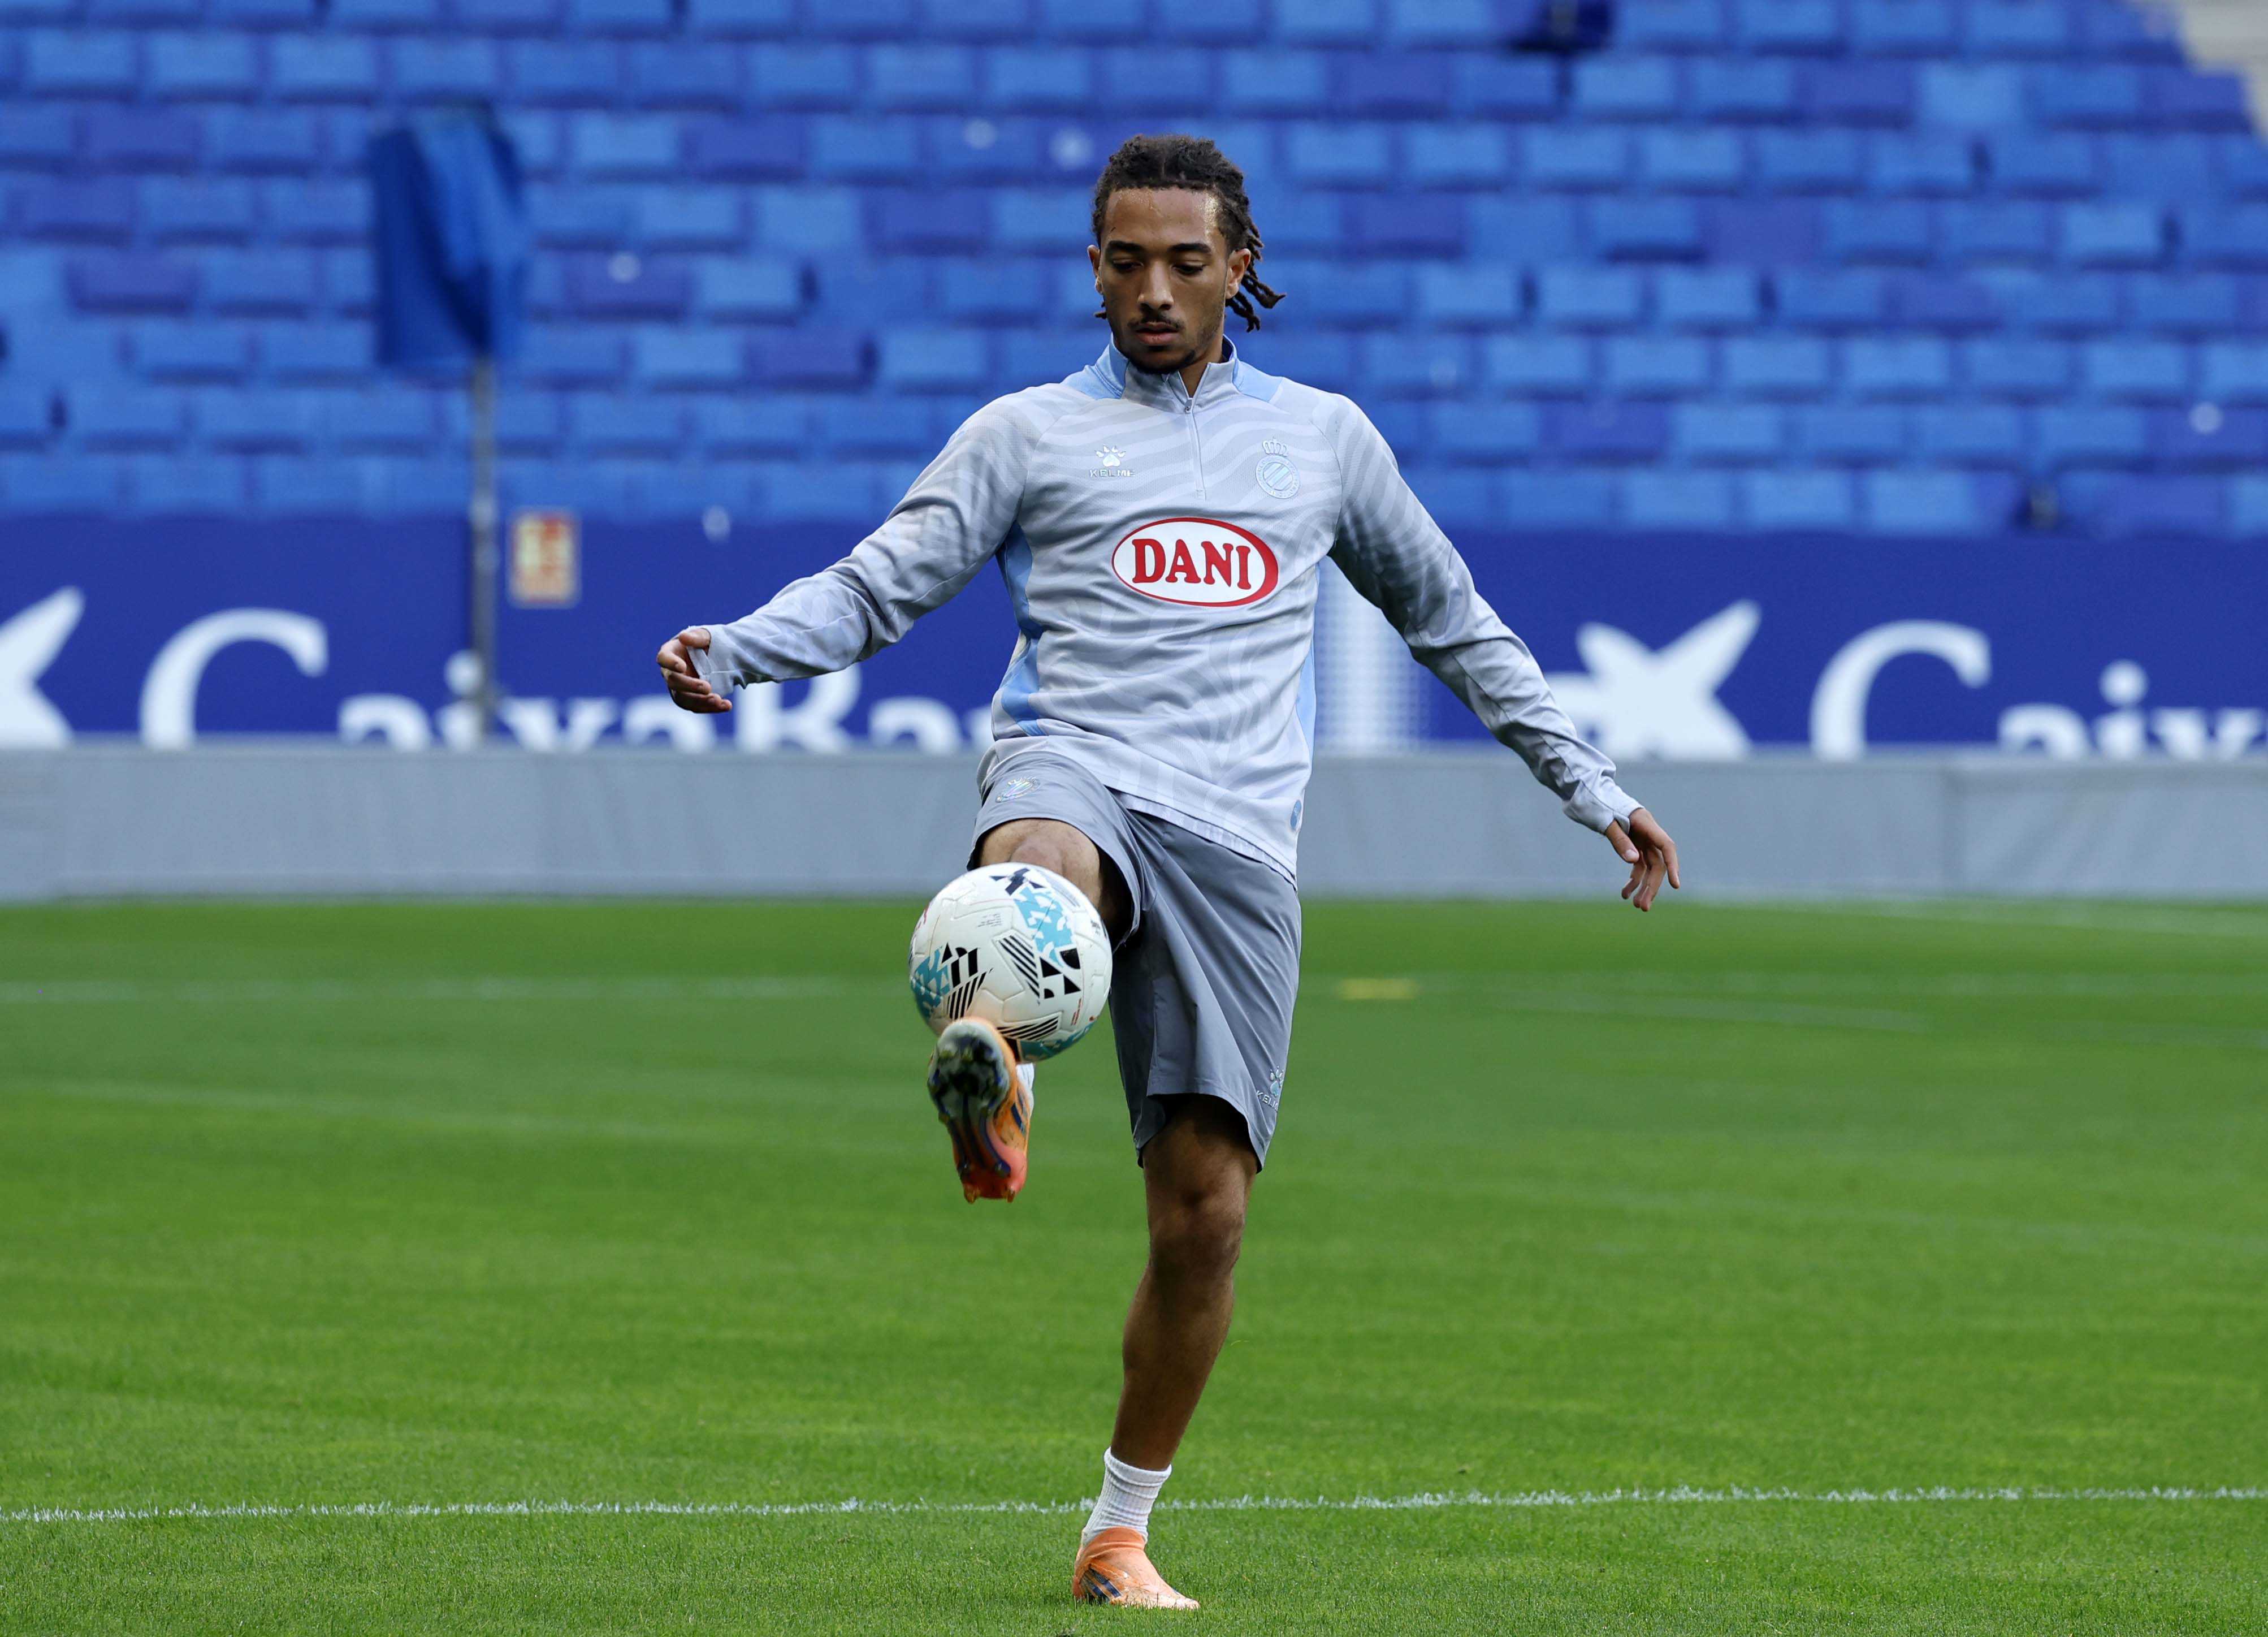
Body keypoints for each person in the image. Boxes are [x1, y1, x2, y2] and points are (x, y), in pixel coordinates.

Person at [658, 133, 1680, 1610]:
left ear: (1237, 270)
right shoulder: (1024, 434)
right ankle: (994, 1056)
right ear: (1092, 269)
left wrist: (1591, 788)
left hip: (1236, 841)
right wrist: (736, 652)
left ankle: (1117, 1531)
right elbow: (885, 581)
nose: (1151, 289)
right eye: (1123, 261)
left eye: (1183, 263)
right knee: (1034, 871)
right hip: (1074, 765)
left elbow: (1454, 624)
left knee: (1203, 1221)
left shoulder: (1323, 441)